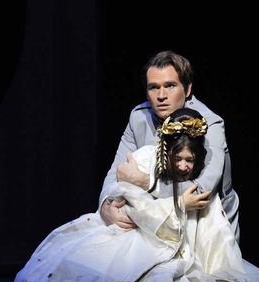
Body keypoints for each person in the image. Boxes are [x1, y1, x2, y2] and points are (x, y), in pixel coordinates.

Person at [0, 109, 259, 282]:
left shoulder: (198, 178)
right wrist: (131, 202)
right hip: (133, 233)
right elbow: (123, 193)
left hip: (172, 244)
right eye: (179, 159)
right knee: (74, 263)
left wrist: (173, 205)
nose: (185, 166)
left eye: (191, 160)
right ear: (167, 154)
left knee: (162, 281)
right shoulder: (147, 157)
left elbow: (202, 230)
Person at [99, 50, 241, 242]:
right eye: (154, 87)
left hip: (207, 226)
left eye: (170, 86)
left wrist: (147, 182)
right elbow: (115, 172)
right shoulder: (139, 117)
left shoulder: (209, 124)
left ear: (187, 89)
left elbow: (201, 192)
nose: (161, 95)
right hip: (156, 221)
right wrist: (105, 206)